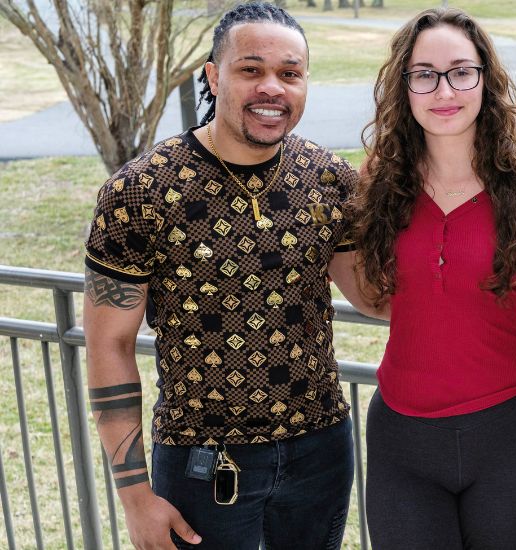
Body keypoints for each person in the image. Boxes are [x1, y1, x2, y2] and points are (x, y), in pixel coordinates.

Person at [82, 3, 357, 549]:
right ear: (213, 74)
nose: (271, 88)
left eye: (290, 73)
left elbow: (373, 294)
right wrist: (135, 497)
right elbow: (107, 343)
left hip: (322, 453)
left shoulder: (329, 177)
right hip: (203, 468)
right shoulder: (141, 191)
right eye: (250, 69)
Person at [340, 7, 516, 550]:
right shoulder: (378, 180)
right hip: (403, 439)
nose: (445, 90)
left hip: (514, 434)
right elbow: (373, 290)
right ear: (405, 85)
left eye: (462, 71)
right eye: (425, 74)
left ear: (486, 78)